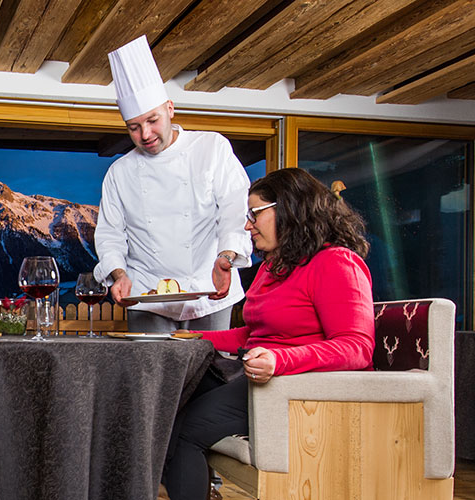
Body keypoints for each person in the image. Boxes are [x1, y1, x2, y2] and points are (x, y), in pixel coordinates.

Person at [161, 168, 374, 500]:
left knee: (183, 432)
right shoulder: (275, 266)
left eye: (254, 214)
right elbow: (253, 333)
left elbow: (357, 348)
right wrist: (189, 338)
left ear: (290, 209)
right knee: (168, 403)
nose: (247, 225)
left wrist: (280, 360)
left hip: (295, 390)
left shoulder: (335, 263)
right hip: (259, 379)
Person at [93, 36, 253, 332]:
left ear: (170, 108)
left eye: (152, 120)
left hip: (209, 286)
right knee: (149, 376)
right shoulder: (120, 172)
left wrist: (226, 258)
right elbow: (110, 234)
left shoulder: (212, 147)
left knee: (213, 373)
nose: (145, 134)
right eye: (134, 127)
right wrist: (119, 274)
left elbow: (235, 209)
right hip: (146, 295)